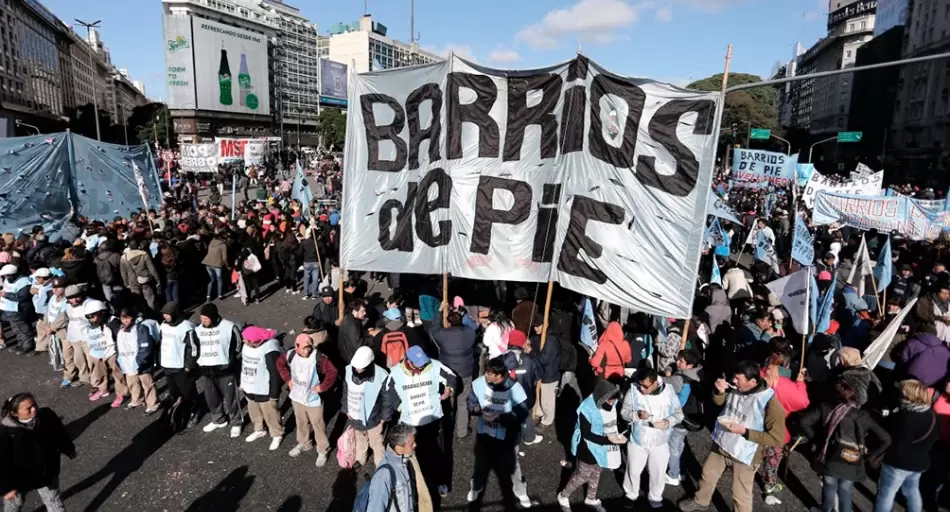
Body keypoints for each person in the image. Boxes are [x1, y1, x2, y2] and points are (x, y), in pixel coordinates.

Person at [678, 362, 785, 512]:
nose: (733, 381)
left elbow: (776, 438)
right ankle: (700, 501)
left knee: (740, 493)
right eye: (734, 377)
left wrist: (745, 432)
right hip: (723, 442)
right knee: (707, 475)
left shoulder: (770, 403)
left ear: (752, 382)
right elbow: (719, 402)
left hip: (746, 453)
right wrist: (719, 391)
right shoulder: (737, 387)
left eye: (738, 379)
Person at [798, 378, 891, 512]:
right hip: (853, 460)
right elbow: (886, 439)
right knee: (845, 490)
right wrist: (869, 453)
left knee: (829, 484)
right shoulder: (863, 415)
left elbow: (804, 422)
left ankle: (826, 508)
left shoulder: (825, 408)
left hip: (830, 458)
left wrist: (818, 440)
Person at [382, 345, 459, 498]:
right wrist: (400, 406)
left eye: (423, 362)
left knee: (439, 453)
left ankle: (441, 482)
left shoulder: (433, 365)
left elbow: (451, 376)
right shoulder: (396, 372)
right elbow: (387, 391)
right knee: (414, 456)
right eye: (419, 363)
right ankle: (416, 486)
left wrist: (449, 389)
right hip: (411, 423)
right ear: (408, 361)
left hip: (433, 419)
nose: (423, 365)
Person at [466, 356, 533, 509]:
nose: (486, 376)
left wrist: (501, 418)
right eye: (486, 372)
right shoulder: (479, 384)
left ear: (499, 375)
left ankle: (520, 491)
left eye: (490, 374)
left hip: (508, 436)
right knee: (481, 463)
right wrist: (478, 411)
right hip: (485, 433)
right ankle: (476, 488)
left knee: (513, 465)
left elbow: (522, 413)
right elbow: (471, 403)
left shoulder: (515, 388)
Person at [558, 379, 625, 512]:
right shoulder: (586, 409)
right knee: (583, 475)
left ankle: (591, 498)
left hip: (601, 447)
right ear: (602, 397)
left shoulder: (609, 402)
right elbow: (587, 435)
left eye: (613, 400)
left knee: (596, 473)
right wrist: (610, 440)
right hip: (587, 448)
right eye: (610, 400)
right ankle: (563, 495)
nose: (612, 403)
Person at [619, 367, 683, 509]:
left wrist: (668, 422)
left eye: (645, 386)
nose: (641, 388)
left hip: (660, 442)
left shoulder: (669, 391)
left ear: (655, 383)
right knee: (633, 471)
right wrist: (636, 415)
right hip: (638, 440)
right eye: (640, 384)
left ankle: (655, 497)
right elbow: (624, 412)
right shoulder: (633, 390)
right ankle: (630, 494)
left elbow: (679, 414)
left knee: (658, 473)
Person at [0, 392, 75, 512]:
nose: (34, 409)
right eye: (28, 408)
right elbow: (2, 462)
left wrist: (69, 449)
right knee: (14, 504)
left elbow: (60, 433)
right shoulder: (6, 433)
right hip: (19, 477)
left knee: (54, 502)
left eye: (34, 404)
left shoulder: (47, 415)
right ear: (15, 413)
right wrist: (7, 488)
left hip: (45, 473)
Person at [873, 379, 939, 512]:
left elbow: (899, 446)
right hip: (919, 462)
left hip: (898, 464)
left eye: (902, 393)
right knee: (912, 491)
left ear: (909, 396)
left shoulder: (908, 418)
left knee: (886, 494)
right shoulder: (933, 415)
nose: (899, 395)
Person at [276, 333, 338, 466]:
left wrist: (322, 387)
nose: (307, 350)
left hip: (313, 398)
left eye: (309, 347)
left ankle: (323, 450)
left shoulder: (319, 358)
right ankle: (304, 443)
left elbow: (332, 372)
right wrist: (288, 380)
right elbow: (280, 364)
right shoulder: (290, 354)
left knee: (318, 424)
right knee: (301, 421)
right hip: (297, 396)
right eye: (304, 348)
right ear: (296, 346)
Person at [194, 303, 243, 438]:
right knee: (211, 398)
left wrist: (231, 362)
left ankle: (236, 422)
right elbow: (195, 348)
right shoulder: (198, 330)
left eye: (206, 318)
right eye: (202, 318)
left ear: (214, 317)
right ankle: (218, 419)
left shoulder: (228, 327)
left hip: (225, 370)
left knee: (231, 399)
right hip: (206, 370)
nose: (203, 321)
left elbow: (238, 346)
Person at [430, 308, 477, 439]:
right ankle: (462, 431)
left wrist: (439, 312)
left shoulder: (443, 334)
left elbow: (434, 328)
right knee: (462, 401)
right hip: (465, 371)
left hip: (447, 373)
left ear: (448, 322)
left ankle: (447, 427)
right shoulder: (469, 332)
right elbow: (473, 325)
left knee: (447, 401)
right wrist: (463, 314)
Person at [238, 326, 284, 451]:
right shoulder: (248, 346)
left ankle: (276, 433)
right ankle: (259, 429)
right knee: (254, 410)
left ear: (255, 341)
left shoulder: (270, 350)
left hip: (264, 388)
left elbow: (275, 372)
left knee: (271, 413)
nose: (244, 341)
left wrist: (274, 393)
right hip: (250, 385)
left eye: (246, 339)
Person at [341, 346, 387, 468]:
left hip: (374, 417)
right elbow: (345, 392)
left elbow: (386, 399)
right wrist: (346, 408)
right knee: (360, 438)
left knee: (376, 441)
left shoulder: (382, 375)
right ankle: (360, 459)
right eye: (356, 367)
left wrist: (384, 418)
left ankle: (380, 463)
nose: (357, 370)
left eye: (361, 368)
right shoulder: (349, 370)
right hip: (355, 415)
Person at [158, 302, 199, 430]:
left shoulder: (186, 327)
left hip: (181, 367)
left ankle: (195, 412)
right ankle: (179, 412)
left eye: (168, 314)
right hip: (167, 365)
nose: (165, 316)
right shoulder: (163, 325)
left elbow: (192, 348)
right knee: (174, 392)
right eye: (164, 314)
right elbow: (161, 342)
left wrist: (189, 365)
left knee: (188, 393)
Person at [666, 350, 703, 487]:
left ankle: (673, 474)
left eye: (680, 361)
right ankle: (680, 470)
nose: (677, 363)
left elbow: (676, 398)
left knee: (673, 447)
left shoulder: (680, 379)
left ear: (689, 365)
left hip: (679, 418)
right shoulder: (698, 374)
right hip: (690, 418)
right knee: (680, 445)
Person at [115, 308, 160, 415]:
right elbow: (119, 346)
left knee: (147, 384)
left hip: (142, 363)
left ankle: (153, 404)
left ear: (133, 317)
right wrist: (120, 359)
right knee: (132, 383)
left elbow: (146, 347)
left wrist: (139, 361)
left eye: (128, 318)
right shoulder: (121, 330)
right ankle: (137, 400)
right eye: (123, 318)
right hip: (128, 362)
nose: (125, 321)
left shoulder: (140, 328)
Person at [365, 423, 419, 512]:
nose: (415, 445)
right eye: (411, 444)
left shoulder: (408, 460)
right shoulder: (383, 476)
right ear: (398, 449)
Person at [82, 300, 125, 405]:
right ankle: (103, 389)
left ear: (101, 313)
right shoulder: (92, 324)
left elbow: (119, 337)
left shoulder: (112, 321)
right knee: (99, 373)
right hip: (97, 352)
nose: (90, 319)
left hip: (111, 352)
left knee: (117, 374)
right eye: (88, 317)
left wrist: (118, 352)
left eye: (92, 316)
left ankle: (121, 393)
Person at [530, 314, 561, 428]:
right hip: (540, 372)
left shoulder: (551, 339)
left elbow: (544, 359)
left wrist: (531, 352)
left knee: (547, 399)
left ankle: (547, 419)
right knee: (538, 394)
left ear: (546, 324)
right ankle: (539, 412)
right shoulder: (537, 337)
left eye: (539, 326)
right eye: (535, 326)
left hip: (549, 374)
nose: (536, 328)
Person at [1, 264, 35, 355]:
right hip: (9, 308)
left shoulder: (24, 282)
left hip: (19, 308)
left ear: (13, 274)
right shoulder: (8, 280)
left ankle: (28, 345)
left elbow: (22, 297)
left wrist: (6, 295)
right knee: (16, 328)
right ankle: (21, 343)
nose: (5, 277)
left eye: (6, 275)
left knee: (23, 328)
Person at [119, 239, 160, 311]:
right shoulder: (144, 254)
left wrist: (126, 284)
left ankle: (141, 315)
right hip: (145, 279)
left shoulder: (123, 258)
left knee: (137, 299)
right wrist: (157, 279)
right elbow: (152, 269)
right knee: (149, 298)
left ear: (129, 247)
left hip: (132, 281)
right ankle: (152, 313)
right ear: (138, 246)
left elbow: (123, 273)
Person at [62, 285, 90, 387]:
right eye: (71, 298)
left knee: (92, 362)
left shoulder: (89, 303)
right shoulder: (67, 305)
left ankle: (97, 383)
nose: (74, 300)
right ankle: (84, 379)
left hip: (88, 338)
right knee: (79, 361)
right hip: (74, 338)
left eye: (77, 297)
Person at [34, 277, 67, 357]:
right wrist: (45, 324)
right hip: (51, 326)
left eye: (58, 287)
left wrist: (52, 327)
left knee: (64, 350)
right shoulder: (52, 298)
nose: (55, 290)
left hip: (61, 328)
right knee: (54, 347)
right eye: (53, 287)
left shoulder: (67, 301)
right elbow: (47, 311)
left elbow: (64, 317)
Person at [338, 299, 376, 365]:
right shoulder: (353, 325)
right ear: (354, 312)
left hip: (347, 354)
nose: (365, 313)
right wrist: (372, 338)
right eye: (362, 311)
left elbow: (355, 336)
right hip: (352, 357)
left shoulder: (349, 319)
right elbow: (358, 344)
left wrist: (367, 332)